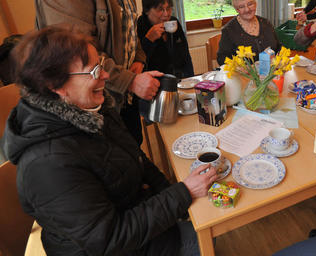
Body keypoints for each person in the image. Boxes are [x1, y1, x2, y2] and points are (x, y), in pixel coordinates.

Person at [3, 25, 218, 255]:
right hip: (117, 247)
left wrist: (179, 197)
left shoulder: (92, 109)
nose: (105, 75)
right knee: (207, 243)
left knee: (206, 228)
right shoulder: (47, 164)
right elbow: (109, 239)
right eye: (94, 71)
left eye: (102, 66)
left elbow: (137, 159)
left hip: (137, 223)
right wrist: (182, 194)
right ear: (56, 86)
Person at [33, 0, 161, 143]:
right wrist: (129, 81)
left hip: (120, 94)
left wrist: (139, 58)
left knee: (132, 153)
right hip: (91, 104)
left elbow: (130, 27)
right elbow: (76, 55)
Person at [137, 0, 194, 79]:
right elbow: (140, 64)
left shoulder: (174, 23)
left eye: (168, 8)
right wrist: (148, 40)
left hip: (179, 81)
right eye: (160, 9)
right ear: (147, 10)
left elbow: (186, 57)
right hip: (154, 85)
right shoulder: (139, 26)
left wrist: (190, 80)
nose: (166, 14)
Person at [217, 0, 280, 65]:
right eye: (241, 6)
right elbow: (222, 59)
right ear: (237, 9)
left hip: (271, 74)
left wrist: (278, 60)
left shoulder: (266, 23)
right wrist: (238, 68)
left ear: (255, 4)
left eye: (250, 4)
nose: (247, 9)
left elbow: (278, 48)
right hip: (243, 76)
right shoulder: (229, 30)